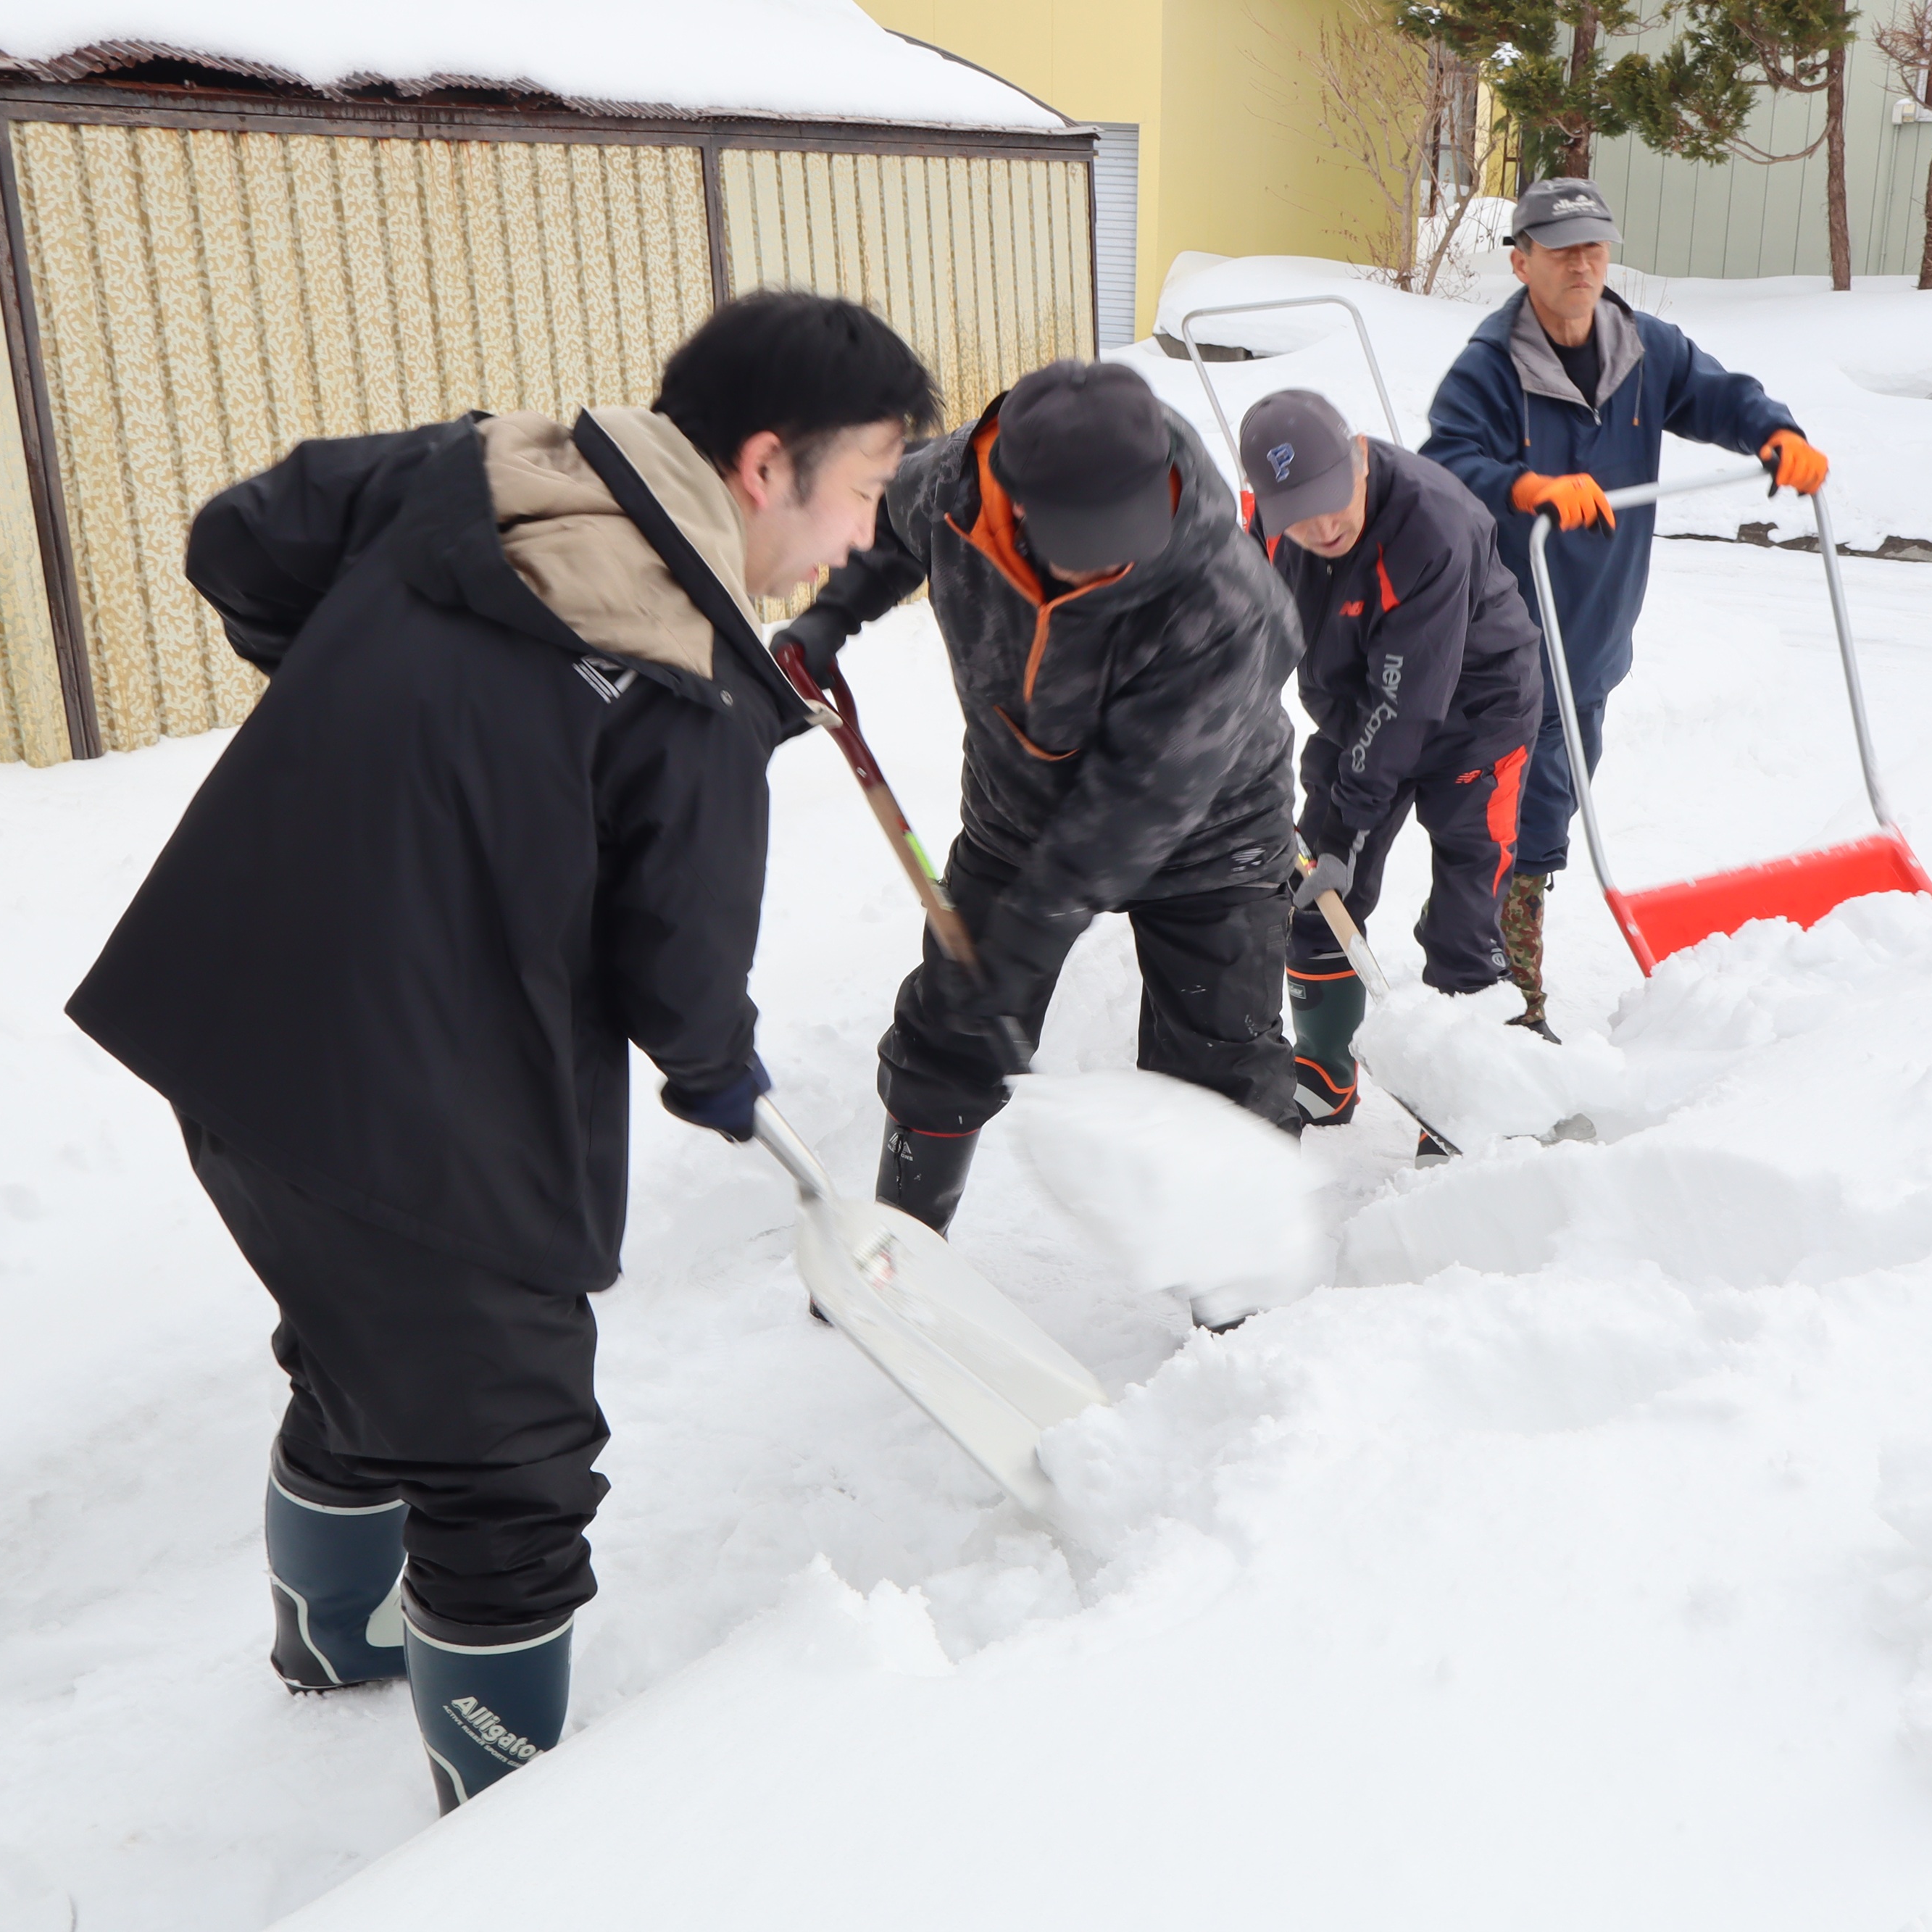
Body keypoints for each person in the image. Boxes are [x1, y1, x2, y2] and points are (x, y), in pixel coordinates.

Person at [64, 293, 936, 1812]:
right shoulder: (689, 685)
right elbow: (678, 984)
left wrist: (377, 707)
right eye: (862, 490)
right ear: (757, 468)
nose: (862, 540)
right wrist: (722, 1074)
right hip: (410, 1111)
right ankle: (506, 1832)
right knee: (509, 1452)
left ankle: (336, 1642)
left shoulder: (471, 473)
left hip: (223, 1025)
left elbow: (241, 539)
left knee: (366, 1345)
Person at [775, 359, 1303, 1240]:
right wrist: (833, 616)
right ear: (1010, 496)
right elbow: (883, 527)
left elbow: (1139, 800)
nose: (1111, 553)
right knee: (950, 1026)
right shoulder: (953, 485)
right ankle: (903, 1249)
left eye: (1124, 525)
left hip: (1212, 838)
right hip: (1016, 813)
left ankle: (1243, 1315)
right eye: (1082, 531)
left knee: (1222, 1071)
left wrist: (1026, 937)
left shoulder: (1223, 598)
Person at [1422, 177, 1831, 1038]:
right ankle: (1489, 1005)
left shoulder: (1645, 348)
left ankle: (1499, 989)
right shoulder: (1489, 367)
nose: (1582, 262)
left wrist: (1775, 433)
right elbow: (1444, 465)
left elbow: (1719, 396)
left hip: (1595, 640)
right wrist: (1523, 485)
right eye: (1561, 247)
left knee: (1549, 815)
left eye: (1594, 245)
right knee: (1502, 829)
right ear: (1519, 259)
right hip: (1500, 647)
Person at [1238, 388, 1544, 1152]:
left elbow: (1407, 698)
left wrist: (1344, 823)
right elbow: (1237, 634)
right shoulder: (1273, 534)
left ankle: (1460, 1108)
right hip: (1359, 716)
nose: (1323, 525)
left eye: (1331, 498)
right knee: (1311, 895)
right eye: (1298, 513)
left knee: (1465, 918)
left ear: (1361, 456)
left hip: (1477, 714)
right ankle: (1324, 1069)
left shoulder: (1432, 526)